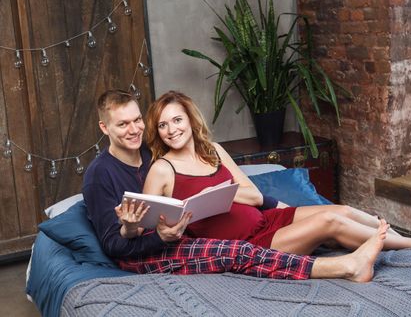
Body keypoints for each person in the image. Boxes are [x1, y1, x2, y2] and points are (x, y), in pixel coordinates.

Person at [83, 89, 389, 283]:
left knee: (329, 215)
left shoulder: (154, 153)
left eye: (137, 120)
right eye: (123, 125)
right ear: (104, 128)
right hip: (148, 252)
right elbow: (115, 244)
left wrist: (276, 206)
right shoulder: (100, 175)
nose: (134, 129)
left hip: (174, 236)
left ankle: (377, 247)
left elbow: (238, 191)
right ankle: (344, 267)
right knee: (237, 252)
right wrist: (150, 235)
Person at [143, 90, 411, 256]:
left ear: (190, 120)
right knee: (330, 223)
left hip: (265, 220)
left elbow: (254, 196)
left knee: (342, 209)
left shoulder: (212, 150)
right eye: (163, 125)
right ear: (157, 132)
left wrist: (208, 196)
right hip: (248, 243)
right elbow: (147, 224)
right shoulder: (162, 169)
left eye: (177, 120)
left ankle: (401, 240)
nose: (172, 130)